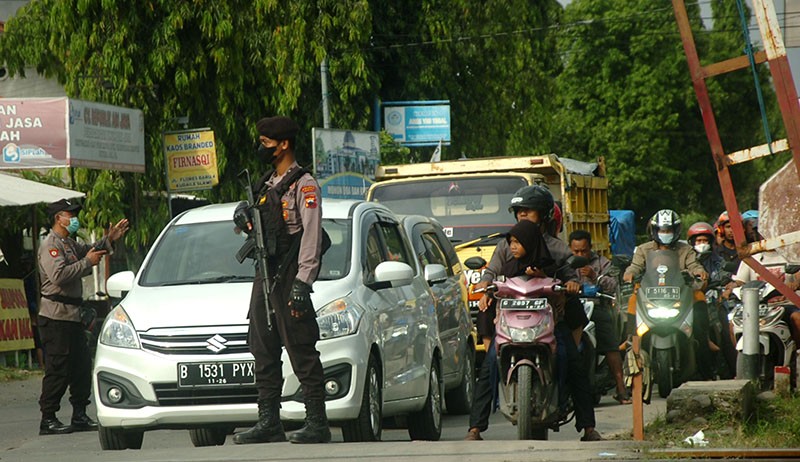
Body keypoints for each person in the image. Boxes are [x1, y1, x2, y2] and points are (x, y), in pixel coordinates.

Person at [466, 185, 601, 442]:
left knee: (571, 360)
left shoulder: (558, 249)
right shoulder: (507, 246)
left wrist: (569, 285)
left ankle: (588, 427)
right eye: (519, 212)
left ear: (544, 215)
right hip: (512, 321)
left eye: (529, 211)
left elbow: (570, 276)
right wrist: (485, 287)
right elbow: (490, 273)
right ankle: (475, 428)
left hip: (549, 320)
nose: (523, 216)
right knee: (491, 361)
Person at [232, 116, 330, 445]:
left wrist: (303, 282)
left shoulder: (304, 185)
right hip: (265, 272)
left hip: (290, 273)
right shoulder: (266, 184)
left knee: (301, 346)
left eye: (266, 143)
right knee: (262, 348)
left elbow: (312, 237)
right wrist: (243, 218)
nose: (262, 149)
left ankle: (317, 422)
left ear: (283, 144)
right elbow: (259, 226)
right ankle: (268, 421)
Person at [38, 199, 129, 435]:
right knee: (58, 367)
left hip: (74, 315)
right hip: (56, 315)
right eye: (71, 215)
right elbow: (58, 275)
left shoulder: (69, 243)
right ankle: (48, 418)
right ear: (59, 218)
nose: (74, 219)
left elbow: (90, 250)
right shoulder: (51, 246)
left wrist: (110, 240)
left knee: (80, 366)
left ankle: (79, 413)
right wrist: (87, 262)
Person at [622, 210, 714, 379]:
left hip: (680, 292)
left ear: (676, 230)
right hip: (652, 294)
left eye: (669, 230)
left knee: (700, 297)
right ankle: (630, 340)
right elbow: (635, 266)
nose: (665, 234)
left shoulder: (685, 249)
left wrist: (699, 272)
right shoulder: (644, 249)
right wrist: (630, 274)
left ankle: (705, 340)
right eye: (662, 230)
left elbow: (694, 265)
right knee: (632, 300)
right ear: (654, 231)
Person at [568, 230, 629, 405]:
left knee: (610, 344)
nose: (580, 255)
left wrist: (595, 277)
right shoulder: (565, 263)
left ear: (590, 249)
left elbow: (612, 285)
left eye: (583, 251)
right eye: (576, 251)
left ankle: (621, 388)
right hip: (572, 306)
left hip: (596, 306)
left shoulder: (602, 263)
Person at [727, 212, 800, 345]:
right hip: (757, 308)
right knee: (733, 324)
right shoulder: (751, 258)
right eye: (764, 232)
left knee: (798, 318)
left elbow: (797, 276)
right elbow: (740, 281)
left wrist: (795, 280)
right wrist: (731, 287)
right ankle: (742, 360)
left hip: (786, 305)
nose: (768, 236)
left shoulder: (793, 255)